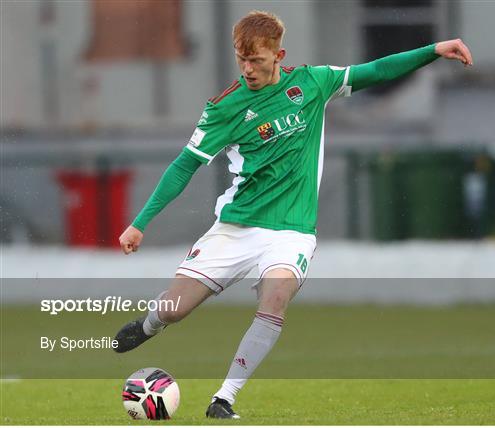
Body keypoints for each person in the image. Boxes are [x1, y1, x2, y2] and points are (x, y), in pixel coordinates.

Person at [114, 10, 474, 419]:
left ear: (278, 55)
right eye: (241, 59)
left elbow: (374, 70)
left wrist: (434, 50)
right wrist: (139, 222)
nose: (248, 69)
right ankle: (148, 325)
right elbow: (184, 165)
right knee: (175, 309)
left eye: (257, 61)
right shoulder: (225, 108)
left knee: (276, 298)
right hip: (236, 227)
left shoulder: (312, 83)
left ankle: (224, 398)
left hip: (292, 231)